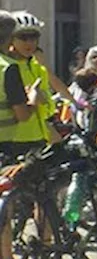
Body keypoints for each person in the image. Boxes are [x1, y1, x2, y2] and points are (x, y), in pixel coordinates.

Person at [0, 12, 52, 162]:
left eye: (34, 37)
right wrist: (34, 101)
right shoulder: (10, 67)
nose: (29, 42)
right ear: (11, 38)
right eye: (23, 37)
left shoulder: (38, 68)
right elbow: (23, 113)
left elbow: (48, 108)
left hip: (39, 137)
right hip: (15, 140)